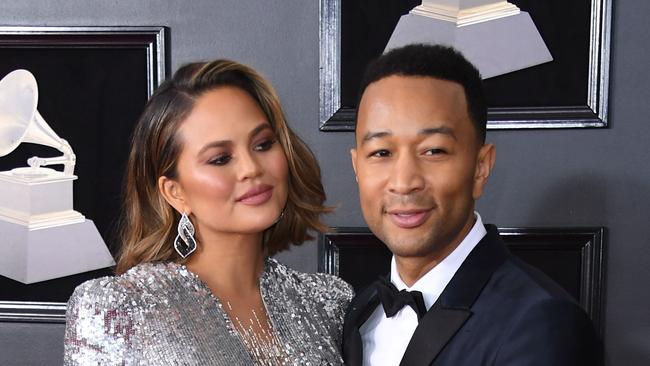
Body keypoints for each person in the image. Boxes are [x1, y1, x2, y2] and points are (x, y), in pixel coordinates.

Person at [64, 59, 353, 365]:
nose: (251, 168)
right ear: (175, 193)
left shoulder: (328, 302)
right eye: (219, 159)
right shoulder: (118, 308)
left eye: (263, 144)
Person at [343, 44, 602, 366]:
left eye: (433, 151)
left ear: (481, 167)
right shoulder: (358, 311)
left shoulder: (542, 322)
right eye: (381, 152)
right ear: (357, 168)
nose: (404, 181)